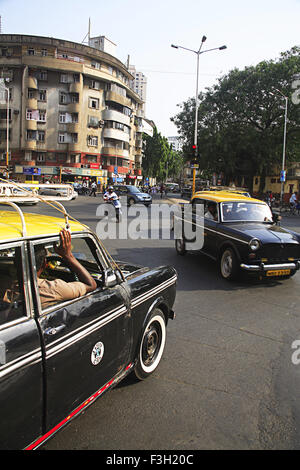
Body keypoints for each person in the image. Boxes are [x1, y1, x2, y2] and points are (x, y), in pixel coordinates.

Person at [35, 229, 97, 309]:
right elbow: (91, 285)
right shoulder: (52, 289)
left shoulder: (15, 285)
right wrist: (68, 256)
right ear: (44, 264)